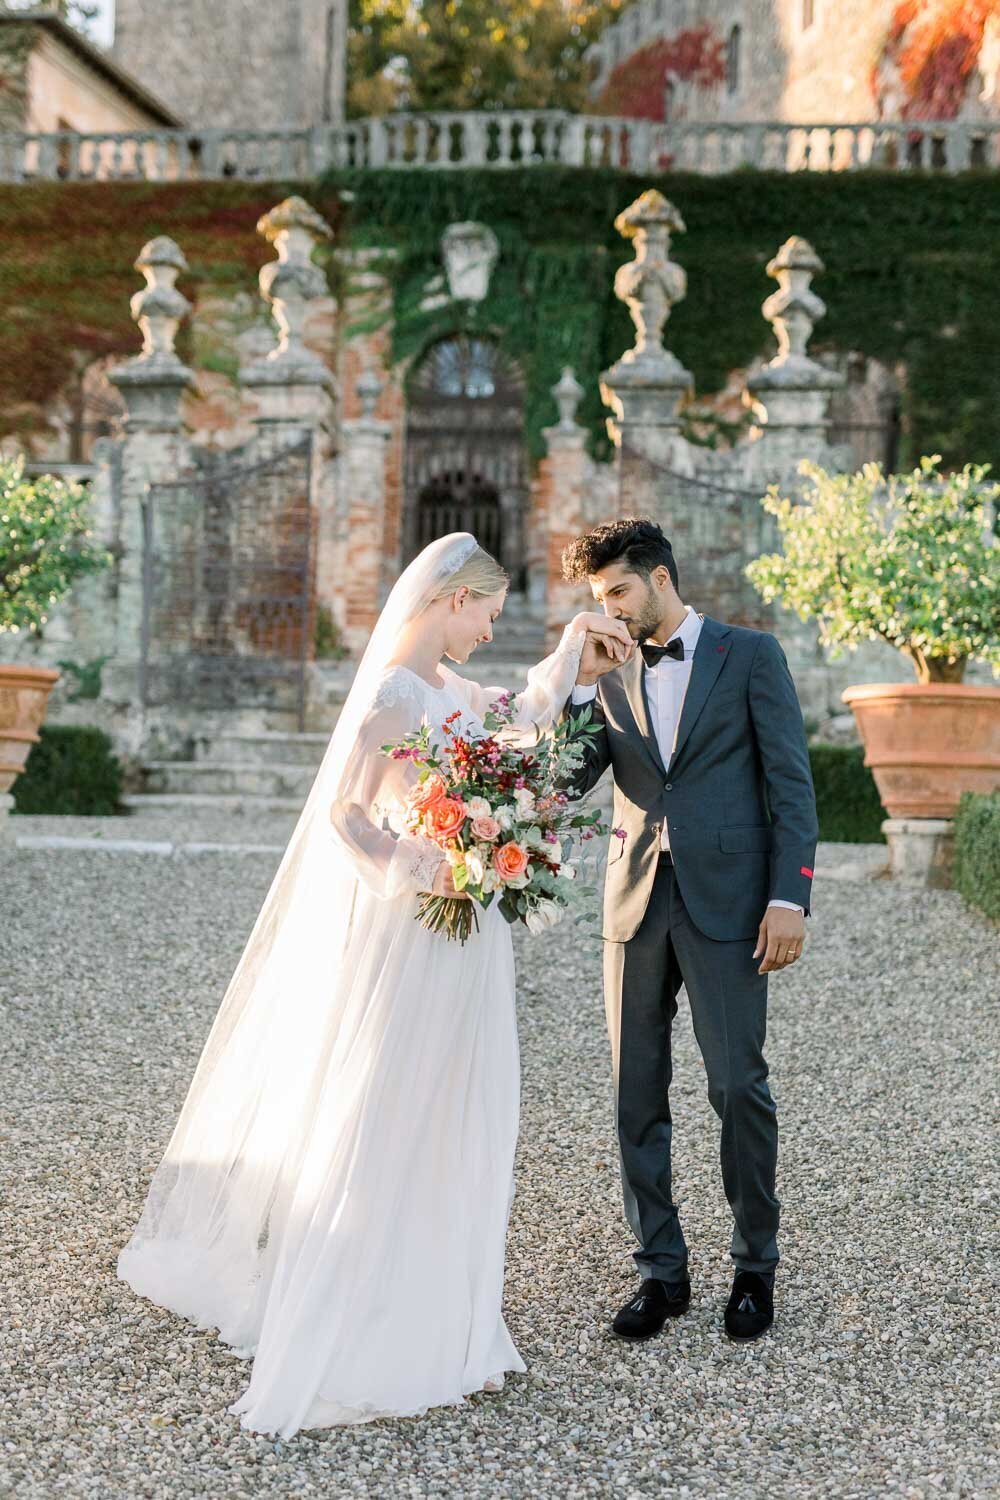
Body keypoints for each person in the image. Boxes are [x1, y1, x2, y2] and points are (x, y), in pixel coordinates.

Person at [116, 532, 630, 1437]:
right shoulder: (393, 695)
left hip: (471, 936)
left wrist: (576, 643)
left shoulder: (456, 691)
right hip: (411, 928)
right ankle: (359, 1311)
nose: (487, 630)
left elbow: (527, 714)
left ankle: (440, 1308)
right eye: (485, 614)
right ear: (448, 601)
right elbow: (345, 819)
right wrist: (424, 860)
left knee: (457, 1109)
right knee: (390, 1104)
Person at [561, 517, 819, 1343]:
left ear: (661, 578)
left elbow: (791, 785)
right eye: (599, 598)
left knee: (737, 1085)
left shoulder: (751, 656)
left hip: (732, 903)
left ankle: (754, 1266)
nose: (609, 609)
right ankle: (660, 1273)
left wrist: (792, 897)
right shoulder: (605, 672)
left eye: (618, 593)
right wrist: (573, 683)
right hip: (633, 901)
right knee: (635, 1093)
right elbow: (566, 782)